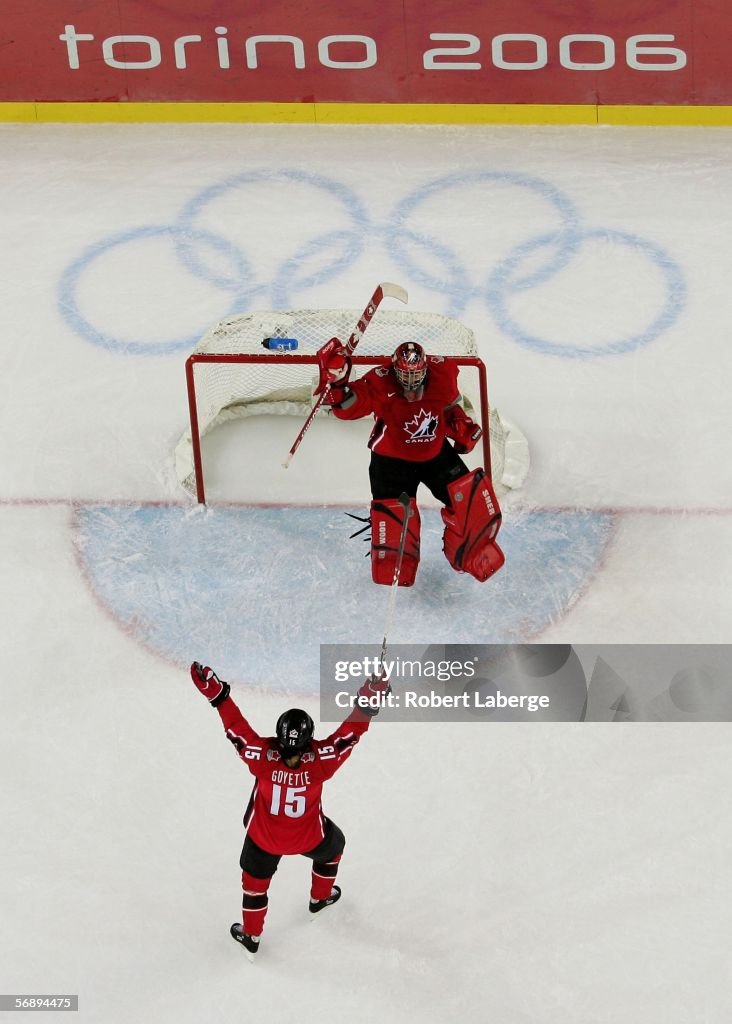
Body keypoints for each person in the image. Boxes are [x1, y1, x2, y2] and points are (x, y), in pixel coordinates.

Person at [190, 661, 389, 960]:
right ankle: (320, 899)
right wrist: (370, 699)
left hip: (263, 839)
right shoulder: (322, 759)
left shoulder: (262, 757)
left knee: (255, 886)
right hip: (309, 838)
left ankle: (251, 936)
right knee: (334, 847)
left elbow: (236, 730)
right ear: (309, 739)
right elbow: (351, 733)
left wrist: (216, 693)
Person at [315, 338, 504, 586]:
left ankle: (469, 553)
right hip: (392, 463)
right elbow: (348, 406)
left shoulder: (442, 374)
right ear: (395, 370)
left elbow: (447, 406)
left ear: (425, 369)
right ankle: (394, 564)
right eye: (405, 375)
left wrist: (459, 424)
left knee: (472, 503)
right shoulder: (379, 381)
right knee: (396, 526)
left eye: (416, 375)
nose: (411, 381)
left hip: (435, 454)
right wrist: (337, 384)